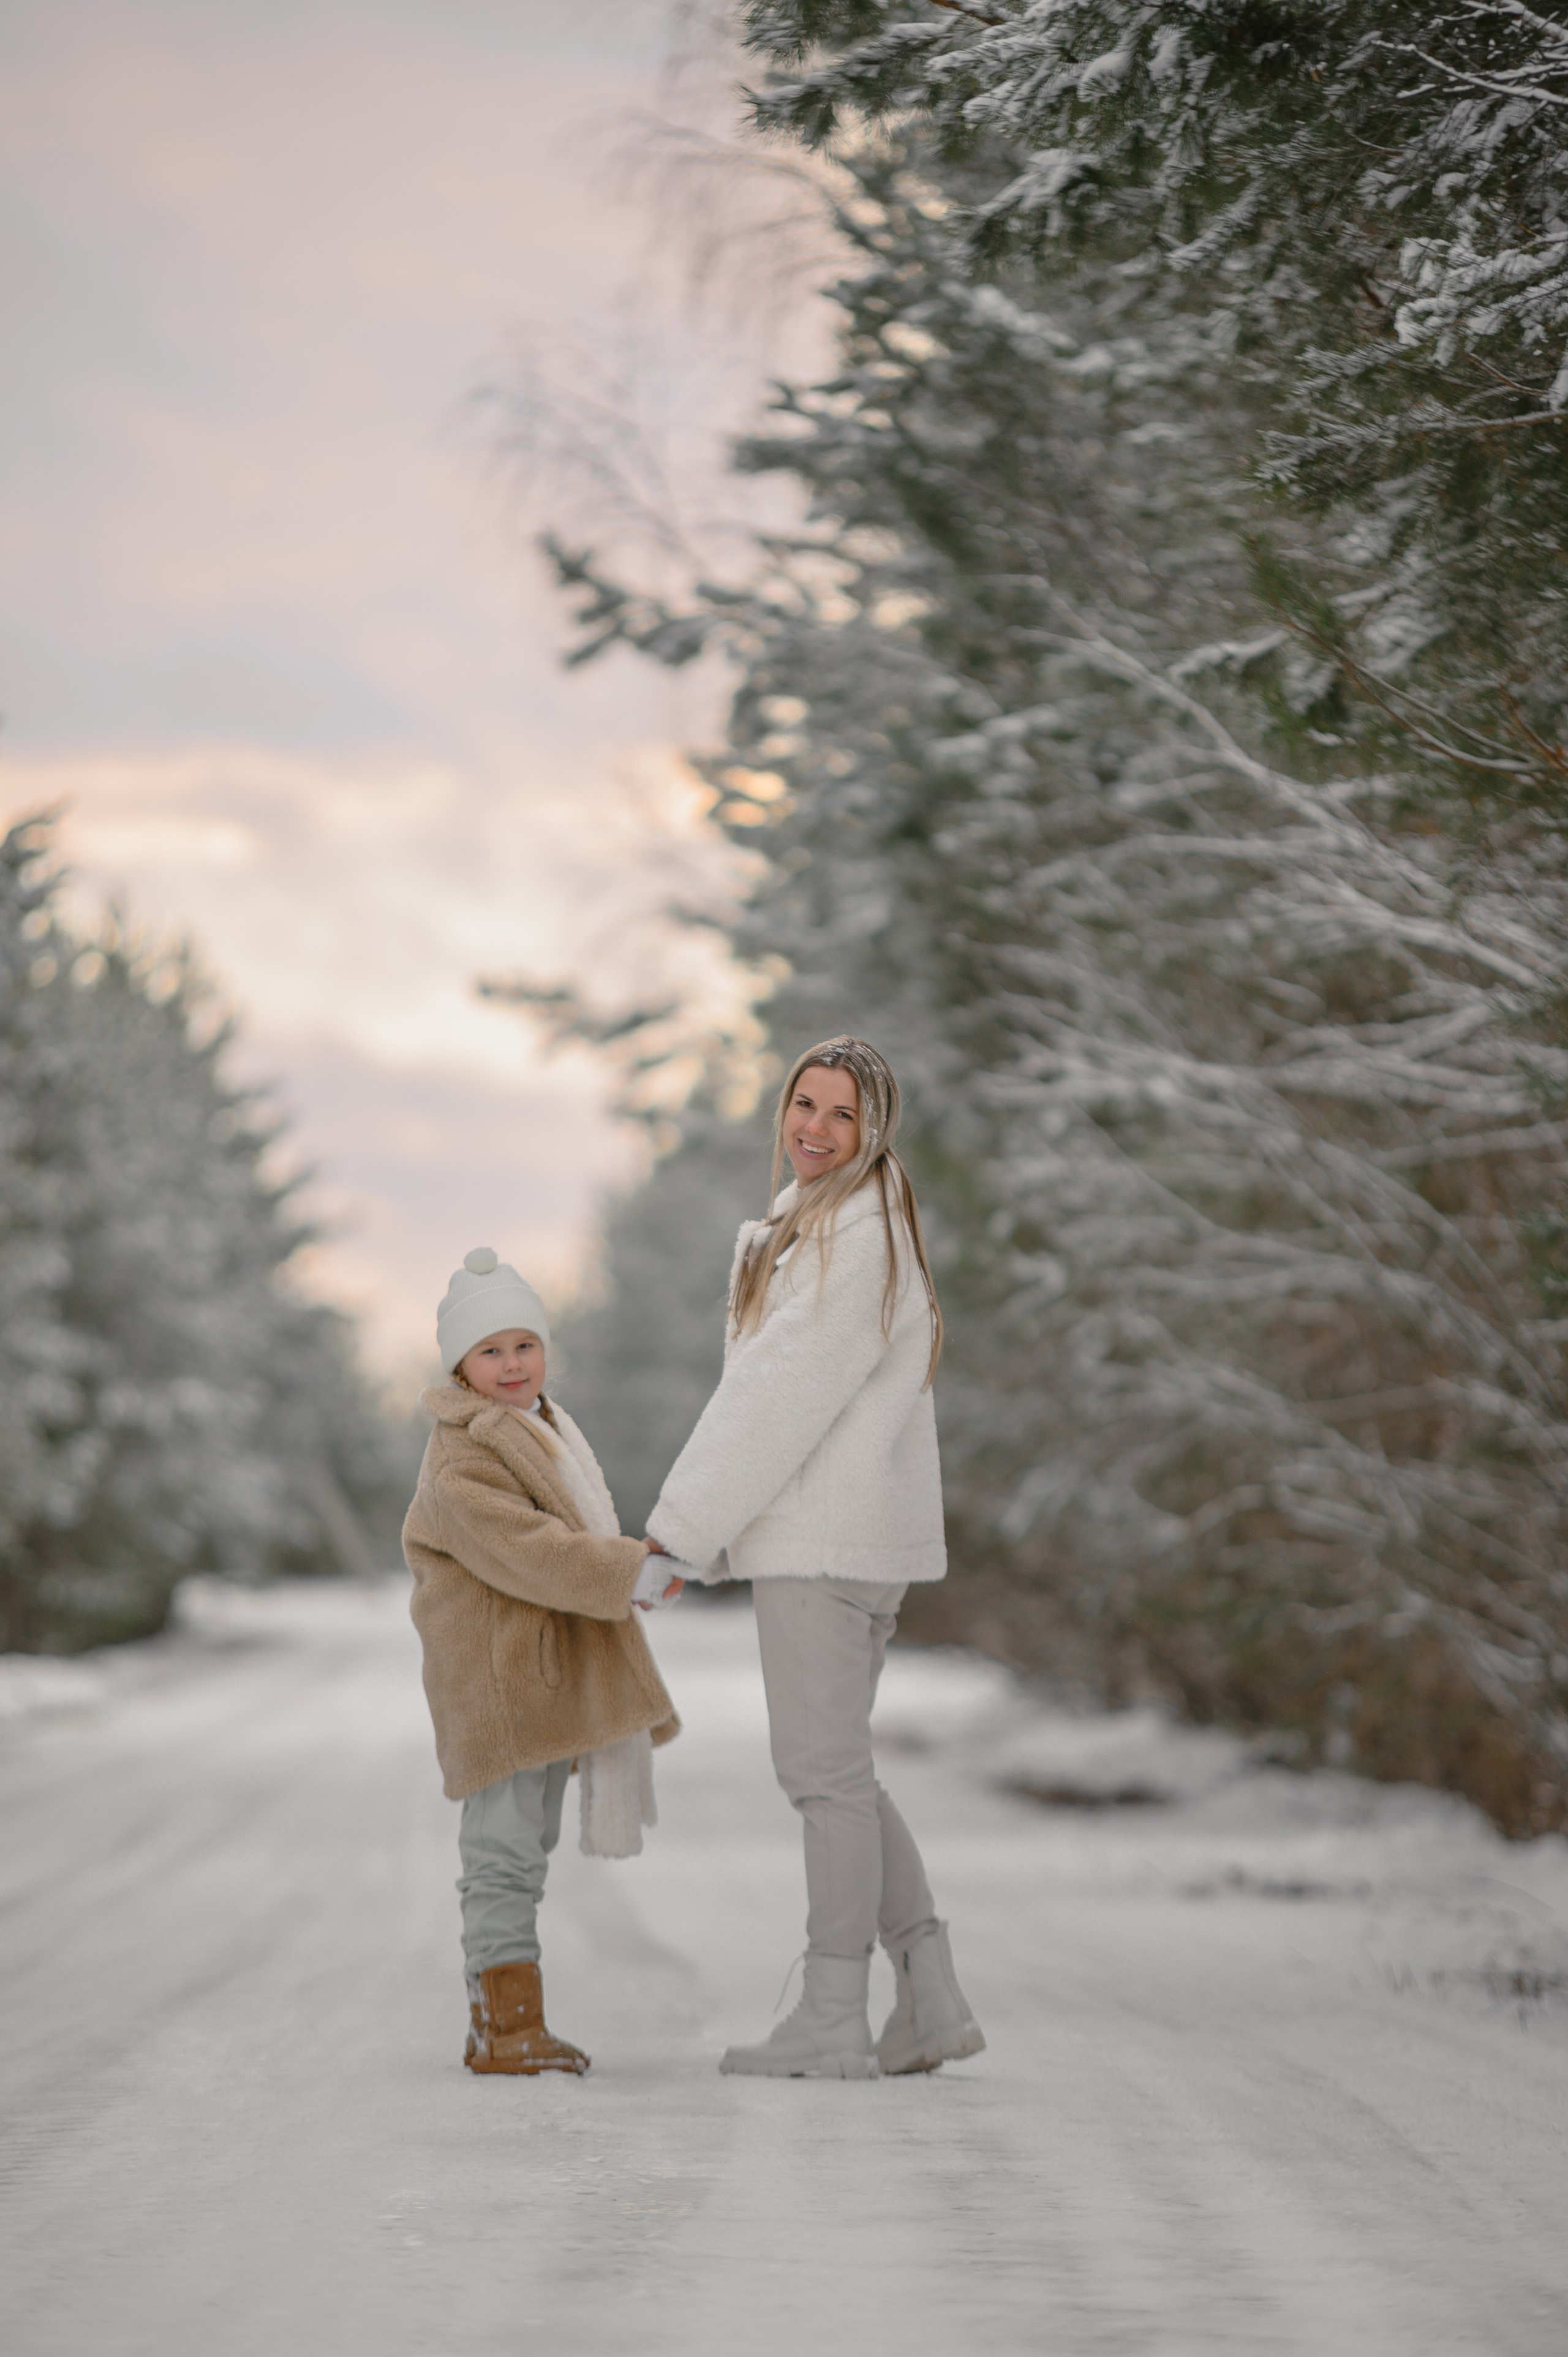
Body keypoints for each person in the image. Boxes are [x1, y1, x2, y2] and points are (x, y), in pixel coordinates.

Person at [646, 1037, 986, 2080]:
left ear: (873, 1131)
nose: (816, 1128)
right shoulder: (824, 1228)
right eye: (805, 1103)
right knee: (843, 1775)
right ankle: (926, 1997)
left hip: (824, 1542)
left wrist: (677, 1530)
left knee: (821, 1778)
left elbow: (773, 1398)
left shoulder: (853, 1241)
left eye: (842, 1114)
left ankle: (834, 2010)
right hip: (838, 1537)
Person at [403, 1248, 685, 2076]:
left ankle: (501, 2018)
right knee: (502, 1852)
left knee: (526, 1848)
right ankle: (506, 2028)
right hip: (498, 1688)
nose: (512, 1364)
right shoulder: (463, 1459)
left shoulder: (539, 1430)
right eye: (490, 1351)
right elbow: (533, 1551)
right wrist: (625, 1570)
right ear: (460, 1363)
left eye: (524, 1345)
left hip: (535, 1683)